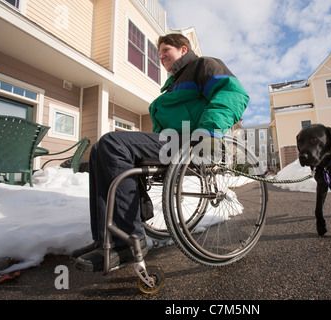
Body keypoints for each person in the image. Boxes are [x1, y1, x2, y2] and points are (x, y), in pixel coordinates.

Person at [72, 34, 249, 272]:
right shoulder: (172, 85)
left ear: (183, 49)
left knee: (112, 143)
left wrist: (208, 130)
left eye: (166, 50)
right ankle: (104, 238)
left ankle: (127, 241)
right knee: (99, 151)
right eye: (160, 53)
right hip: (172, 142)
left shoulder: (203, 65)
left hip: (193, 140)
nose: (161, 56)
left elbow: (234, 94)